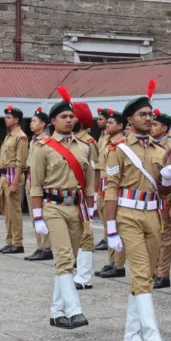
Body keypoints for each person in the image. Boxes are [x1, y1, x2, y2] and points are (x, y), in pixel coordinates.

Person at [105, 79, 171, 341]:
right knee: (142, 274)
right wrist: (111, 228)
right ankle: (153, 336)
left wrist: (168, 180)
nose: (149, 119)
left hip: (153, 215)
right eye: (143, 115)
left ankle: (132, 338)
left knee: (146, 275)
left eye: (151, 115)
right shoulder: (118, 149)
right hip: (128, 215)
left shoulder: (161, 151)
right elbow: (110, 188)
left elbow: (164, 190)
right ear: (129, 120)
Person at [28, 87, 92, 330]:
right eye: (63, 117)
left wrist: (90, 210)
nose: (69, 120)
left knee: (69, 261)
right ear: (52, 121)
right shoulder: (43, 147)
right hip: (52, 207)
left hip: (75, 207)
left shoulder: (84, 147)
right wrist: (37, 216)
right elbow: (36, 185)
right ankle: (75, 311)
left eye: (71, 117)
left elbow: (89, 184)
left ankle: (56, 313)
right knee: (64, 258)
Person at [96, 109, 129, 278]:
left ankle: (119, 264)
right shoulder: (106, 140)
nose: (107, 125)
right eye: (106, 122)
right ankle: (111, 261)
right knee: (108, 226)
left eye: (110, 123)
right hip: (104, 188)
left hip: (113, 187)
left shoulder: (122, 144)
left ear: (121, 125)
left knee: (116, 226)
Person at [72, 102, 99, 289]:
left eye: (71, 116)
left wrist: (93, 199)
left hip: (85, 195)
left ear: (80, 121)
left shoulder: (89, 142)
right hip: (70, 194)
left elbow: (95, 171)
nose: (68, 119)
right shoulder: (70, 140)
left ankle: (84, 277)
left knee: (86, 236)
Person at [0, 106, 29, 255]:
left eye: (9, 117)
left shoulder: (21, 136)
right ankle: (9, 241)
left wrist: (15, 182)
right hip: (4, 176)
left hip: (13, 176)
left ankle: (17, 243)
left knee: (14, 211)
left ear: (16, 120)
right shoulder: (9, 135)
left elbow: (20, 162)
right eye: (5, 117)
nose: (6, 120)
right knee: (6, 211)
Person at [151, 110, 171, 289]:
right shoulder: (150, 146)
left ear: (165, 128)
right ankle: (154, 270)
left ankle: (163, 274)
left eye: (155, 124)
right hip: (152, 198)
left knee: (165, 236)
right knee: (153, 235)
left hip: (166, 198)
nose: (151, 127)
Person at [25, 106, 54, 262]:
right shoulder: (33, 140)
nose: (31, 123)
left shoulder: (47, 141)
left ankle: (47, 247)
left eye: (34, 121)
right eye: (31, 121)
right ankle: (40, 246)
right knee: (33, 215)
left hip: (40, 182)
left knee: (42, 214)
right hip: (30, 180)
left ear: (43, 124)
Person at [93, 108, 115, 252]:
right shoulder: (102, 136)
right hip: (101, 175)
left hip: (108, 176)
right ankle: (106, 236)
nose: (98, 121)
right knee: (101, 209)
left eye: (101, 119)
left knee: (107, 210)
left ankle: (109, 237)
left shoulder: (110, 138)